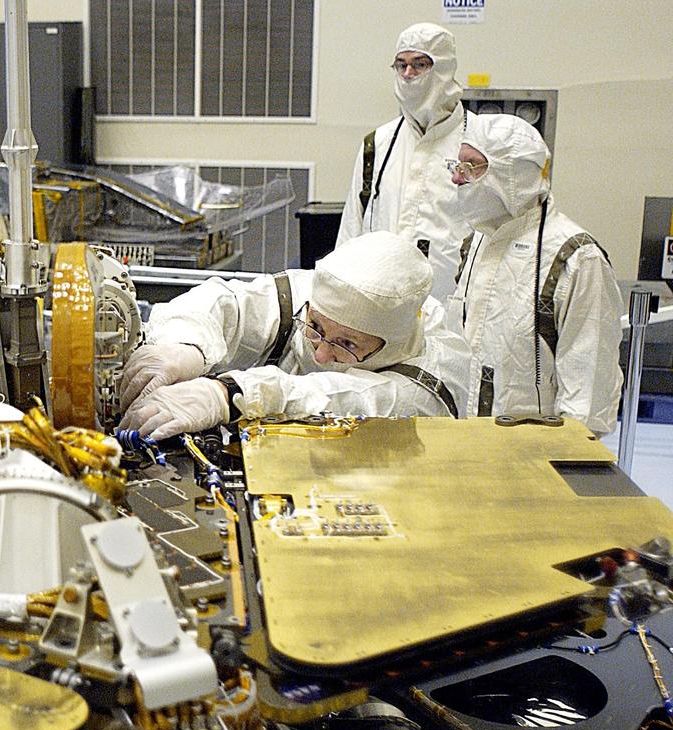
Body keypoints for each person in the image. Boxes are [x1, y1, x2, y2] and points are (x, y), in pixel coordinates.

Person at [118, 231, 470, 440]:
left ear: (388, 344)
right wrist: (184, 345)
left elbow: (345, 400)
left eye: (347, 345)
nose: (320, 355)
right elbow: (229, 304)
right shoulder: (319, 294)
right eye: (315, 329)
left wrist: (230, 393)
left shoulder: (433, 378)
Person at [445, 114, 622, 435]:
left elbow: (588, 391)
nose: (458, 179)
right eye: (457, 166)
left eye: (471, 167)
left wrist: (564, 459)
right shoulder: (478, 242)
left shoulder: (576, 257)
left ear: (511, 177)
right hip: (464, 438)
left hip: (532, 451)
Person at [336, 23, 470, 300]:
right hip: (381, 302)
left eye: (420, 64)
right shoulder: (378, 144)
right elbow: (351, 229)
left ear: (444, 68)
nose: (409, 74)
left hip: (450, 303)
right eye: (401, 65)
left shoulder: (477, 144)